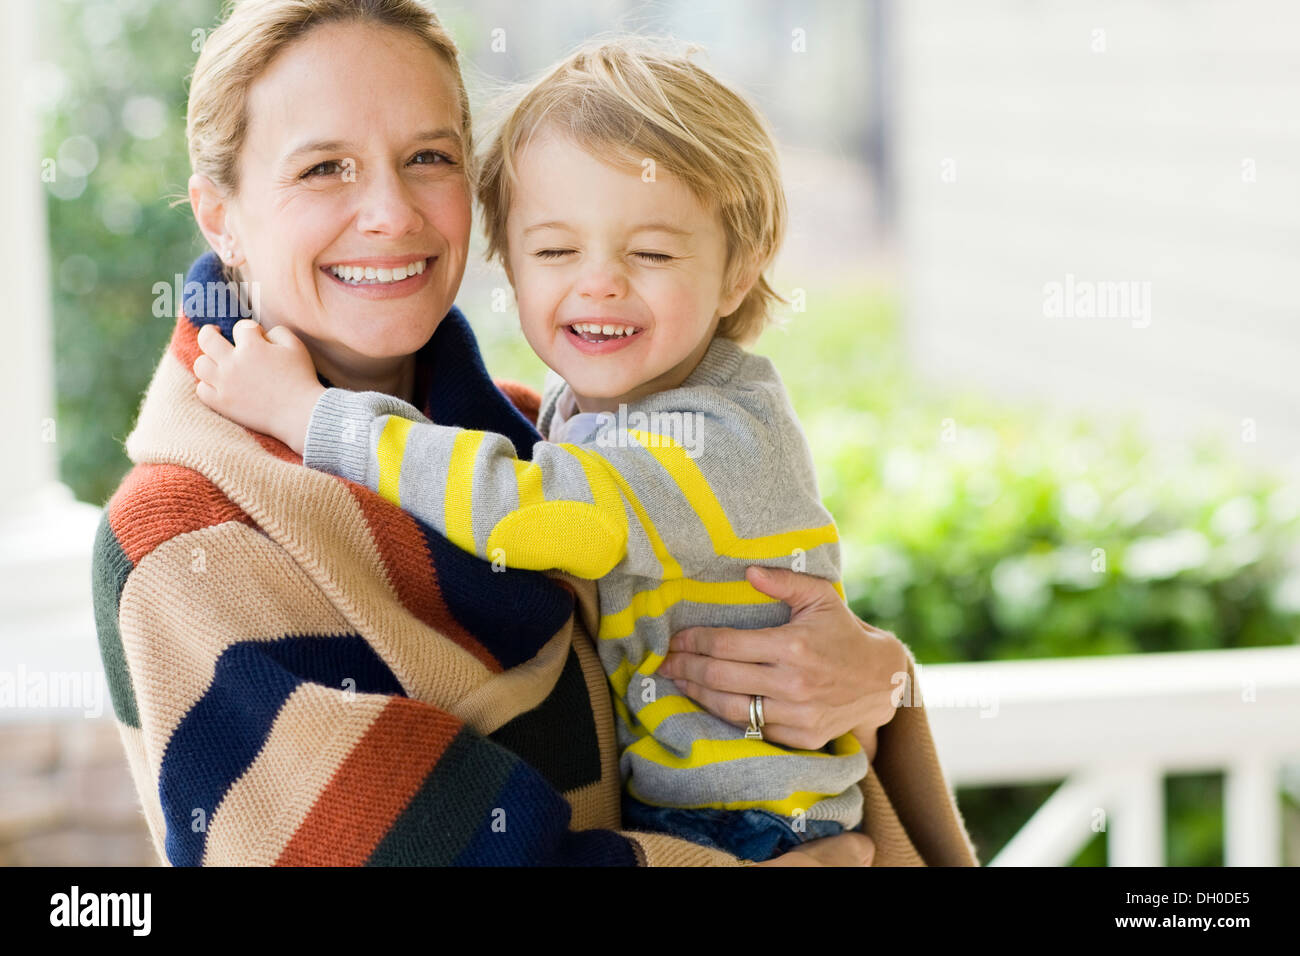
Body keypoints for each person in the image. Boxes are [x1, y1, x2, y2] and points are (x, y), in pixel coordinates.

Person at [91, 0, 978, 866]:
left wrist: (874, 681)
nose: (392, 212)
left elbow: (741, 633)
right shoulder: (186, 533)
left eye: (427, 156)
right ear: (220, 215)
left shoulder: (539, 439)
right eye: (325, 166)